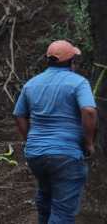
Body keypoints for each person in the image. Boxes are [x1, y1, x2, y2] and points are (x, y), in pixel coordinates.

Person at [13, 40, 98, 223]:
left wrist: (30, 140)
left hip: (36, 155)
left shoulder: (31, 84)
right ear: (71, 62)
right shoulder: (78, 83)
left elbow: (19, 115)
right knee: (63, 213)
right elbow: (89, 111)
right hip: (66, 155)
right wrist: (89, 143)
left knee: (46, 196)